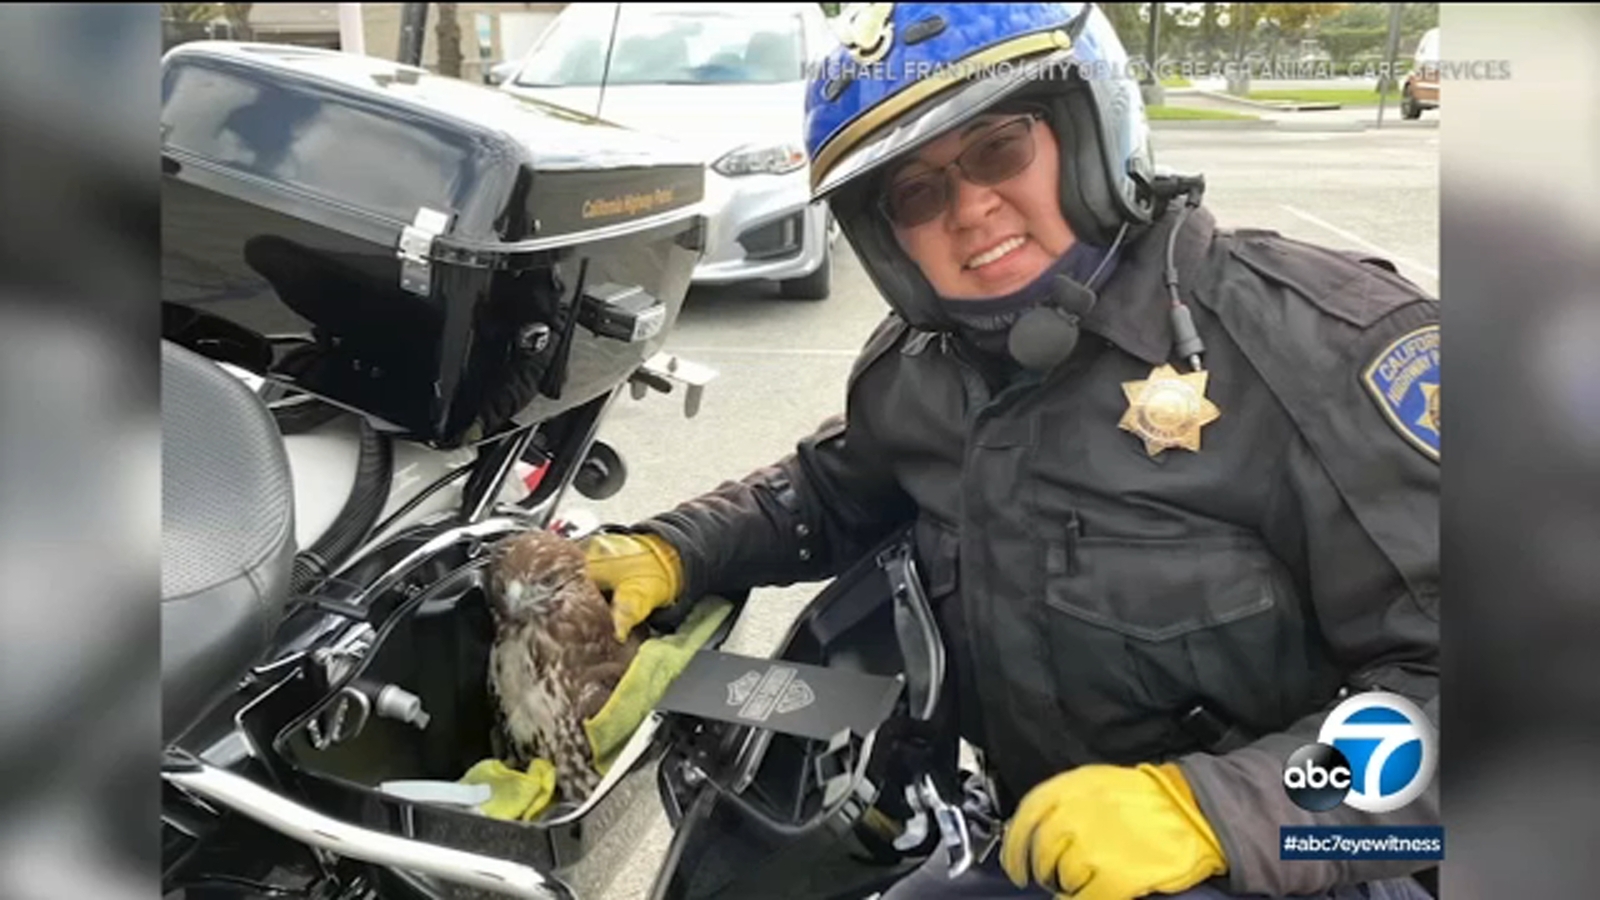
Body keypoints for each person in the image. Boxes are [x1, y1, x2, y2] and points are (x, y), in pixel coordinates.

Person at [582, 4, 1441, 899]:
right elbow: (829, 491)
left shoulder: (1317, 349)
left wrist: (1224, 812)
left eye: (999, 150)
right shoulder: (926, 366)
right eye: (916, 194)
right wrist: (676, 547)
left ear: (1090, 134)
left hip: (1307, 866)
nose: (968, 209)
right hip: (1034, 839)